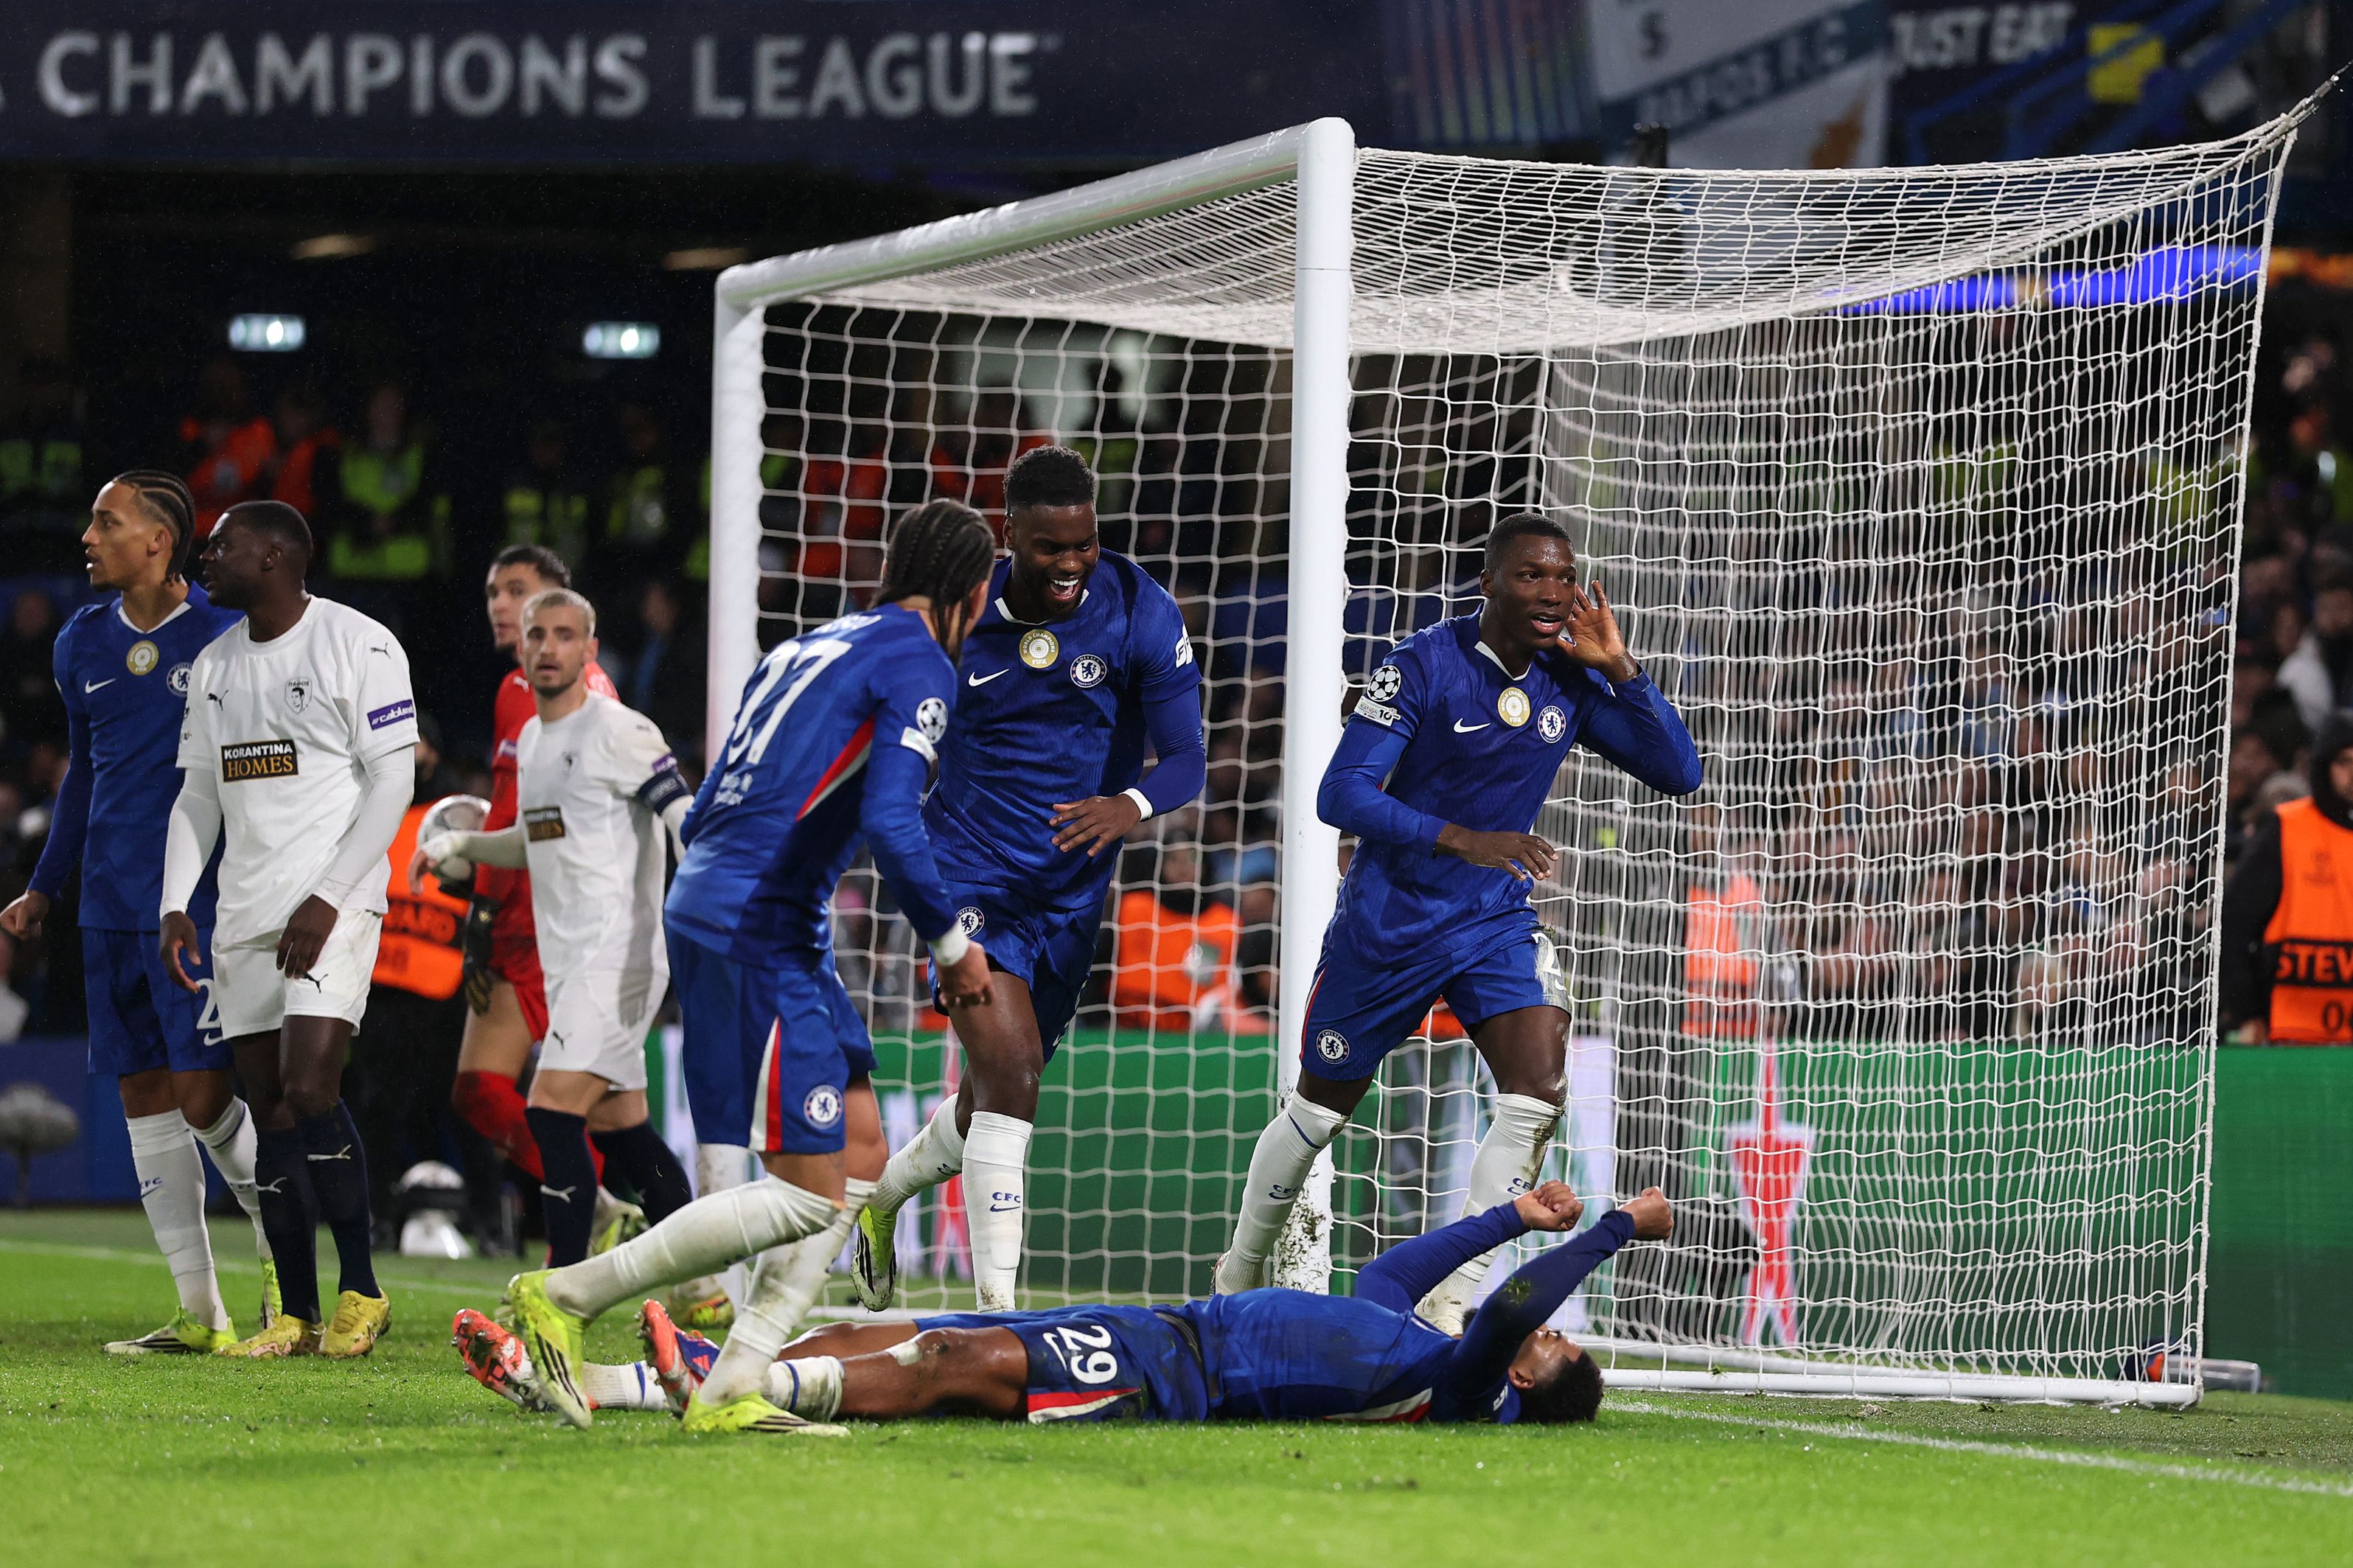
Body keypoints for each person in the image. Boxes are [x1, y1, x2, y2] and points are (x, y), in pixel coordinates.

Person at [496, 498, 1000, 1435]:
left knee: (860, 1149)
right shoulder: (920, 665)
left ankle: (733, 1384)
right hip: (759, 919)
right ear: (971, 591)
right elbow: (892, 823)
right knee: (809, 1196)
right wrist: (952, 946)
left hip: (733, 903)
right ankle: (566, 1293)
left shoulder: (805, 646)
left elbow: (717, 792)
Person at [1216, 514, 1703, 1331]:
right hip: (1390, 924)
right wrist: (1464, 838)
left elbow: (1680, 773)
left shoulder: (1571, 676)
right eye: (1531, 575)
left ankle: (1446, 1313)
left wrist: (1621, 667)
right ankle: (1234, 1279)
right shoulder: (1421, 666)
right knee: (1319, 1114)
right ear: (1489, 584)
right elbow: (1340, 794)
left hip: (1492, 923)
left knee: (1537, 1091)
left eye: (1564, 577)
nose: (1553, 593)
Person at [855, 445, 1207, 1314]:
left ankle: (884, 1199)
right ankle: (1000, 1321)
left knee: (991, 1100)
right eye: (1051, 547)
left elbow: (1188, 757)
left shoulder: (1139, 607)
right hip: (968, 878)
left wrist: (1129, 803)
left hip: (1071, 898)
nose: (1072, 563)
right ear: (1010, 534)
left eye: (1085, 543)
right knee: (1012, 1080)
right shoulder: (958, 616)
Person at [461, 1181, 1674, 1432]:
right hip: (1165, 1324)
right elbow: (1396, 1269)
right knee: (889, 1335)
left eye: (1549, 1342)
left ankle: (751, 1387)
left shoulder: (1462, 1388)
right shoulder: (1413, 1338)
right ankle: (611, 1381)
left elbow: (1511, 1309)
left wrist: (1613, 1226)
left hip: (1171, 1381)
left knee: (952, 1356)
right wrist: (1512, 1213)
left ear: (1526, 1375)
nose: (1538, 1327)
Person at [0, 471, 269, 1353]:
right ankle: (201, 1313)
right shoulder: (80, 640)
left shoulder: (229, 633)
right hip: (109, 905)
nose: (88, 537)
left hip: (199, 907)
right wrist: (45, 885)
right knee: (145, 1098)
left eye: (105, 522)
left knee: (205, 1098)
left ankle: (287, 1269)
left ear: (158, 540)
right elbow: (84, 775)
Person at [158, 499, 418, 1357]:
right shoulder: (214, 665)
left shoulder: (360, 644)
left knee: (310, 1088)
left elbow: (392, 783)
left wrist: (331, 895)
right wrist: (175, 902)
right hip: (244, 913)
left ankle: (362, 1291)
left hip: (332, 904)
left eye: (221, 546)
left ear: (273, 556)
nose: (205, 557)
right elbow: (198, 795)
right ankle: (297, 1317)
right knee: (268, 1106)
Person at [414, 589, 694, 1265]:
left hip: (618, 958)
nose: (549, 647)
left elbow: (683, 817)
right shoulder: (536, 739)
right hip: (569, 962)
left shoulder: (621, 731)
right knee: (623, 1130)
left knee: (550, 1110)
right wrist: (464, 846)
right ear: (523, 647)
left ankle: (564, 1289)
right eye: (538, 635)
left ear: (590, 649)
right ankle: (701, 1281)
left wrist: (712, 905)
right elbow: (535, 839)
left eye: (566, 635)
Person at [449, 545, 631, 1245]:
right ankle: (627, 1234)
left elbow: (513, 810)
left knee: (486, 1088)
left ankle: (603, 1213)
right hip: (589, 910)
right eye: (494, 591)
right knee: (609, 1113)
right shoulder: (601, 689)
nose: (502, 604)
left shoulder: (527, 689)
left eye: (518, 589)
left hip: (534, 911)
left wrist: (483, 906)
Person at [2220, 710, 2353, 1044]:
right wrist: (2247, 1012)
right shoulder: (2289, 829)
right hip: (2289, 1034)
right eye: (2344, 761)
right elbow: (2233, 924)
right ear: (2324, 766)